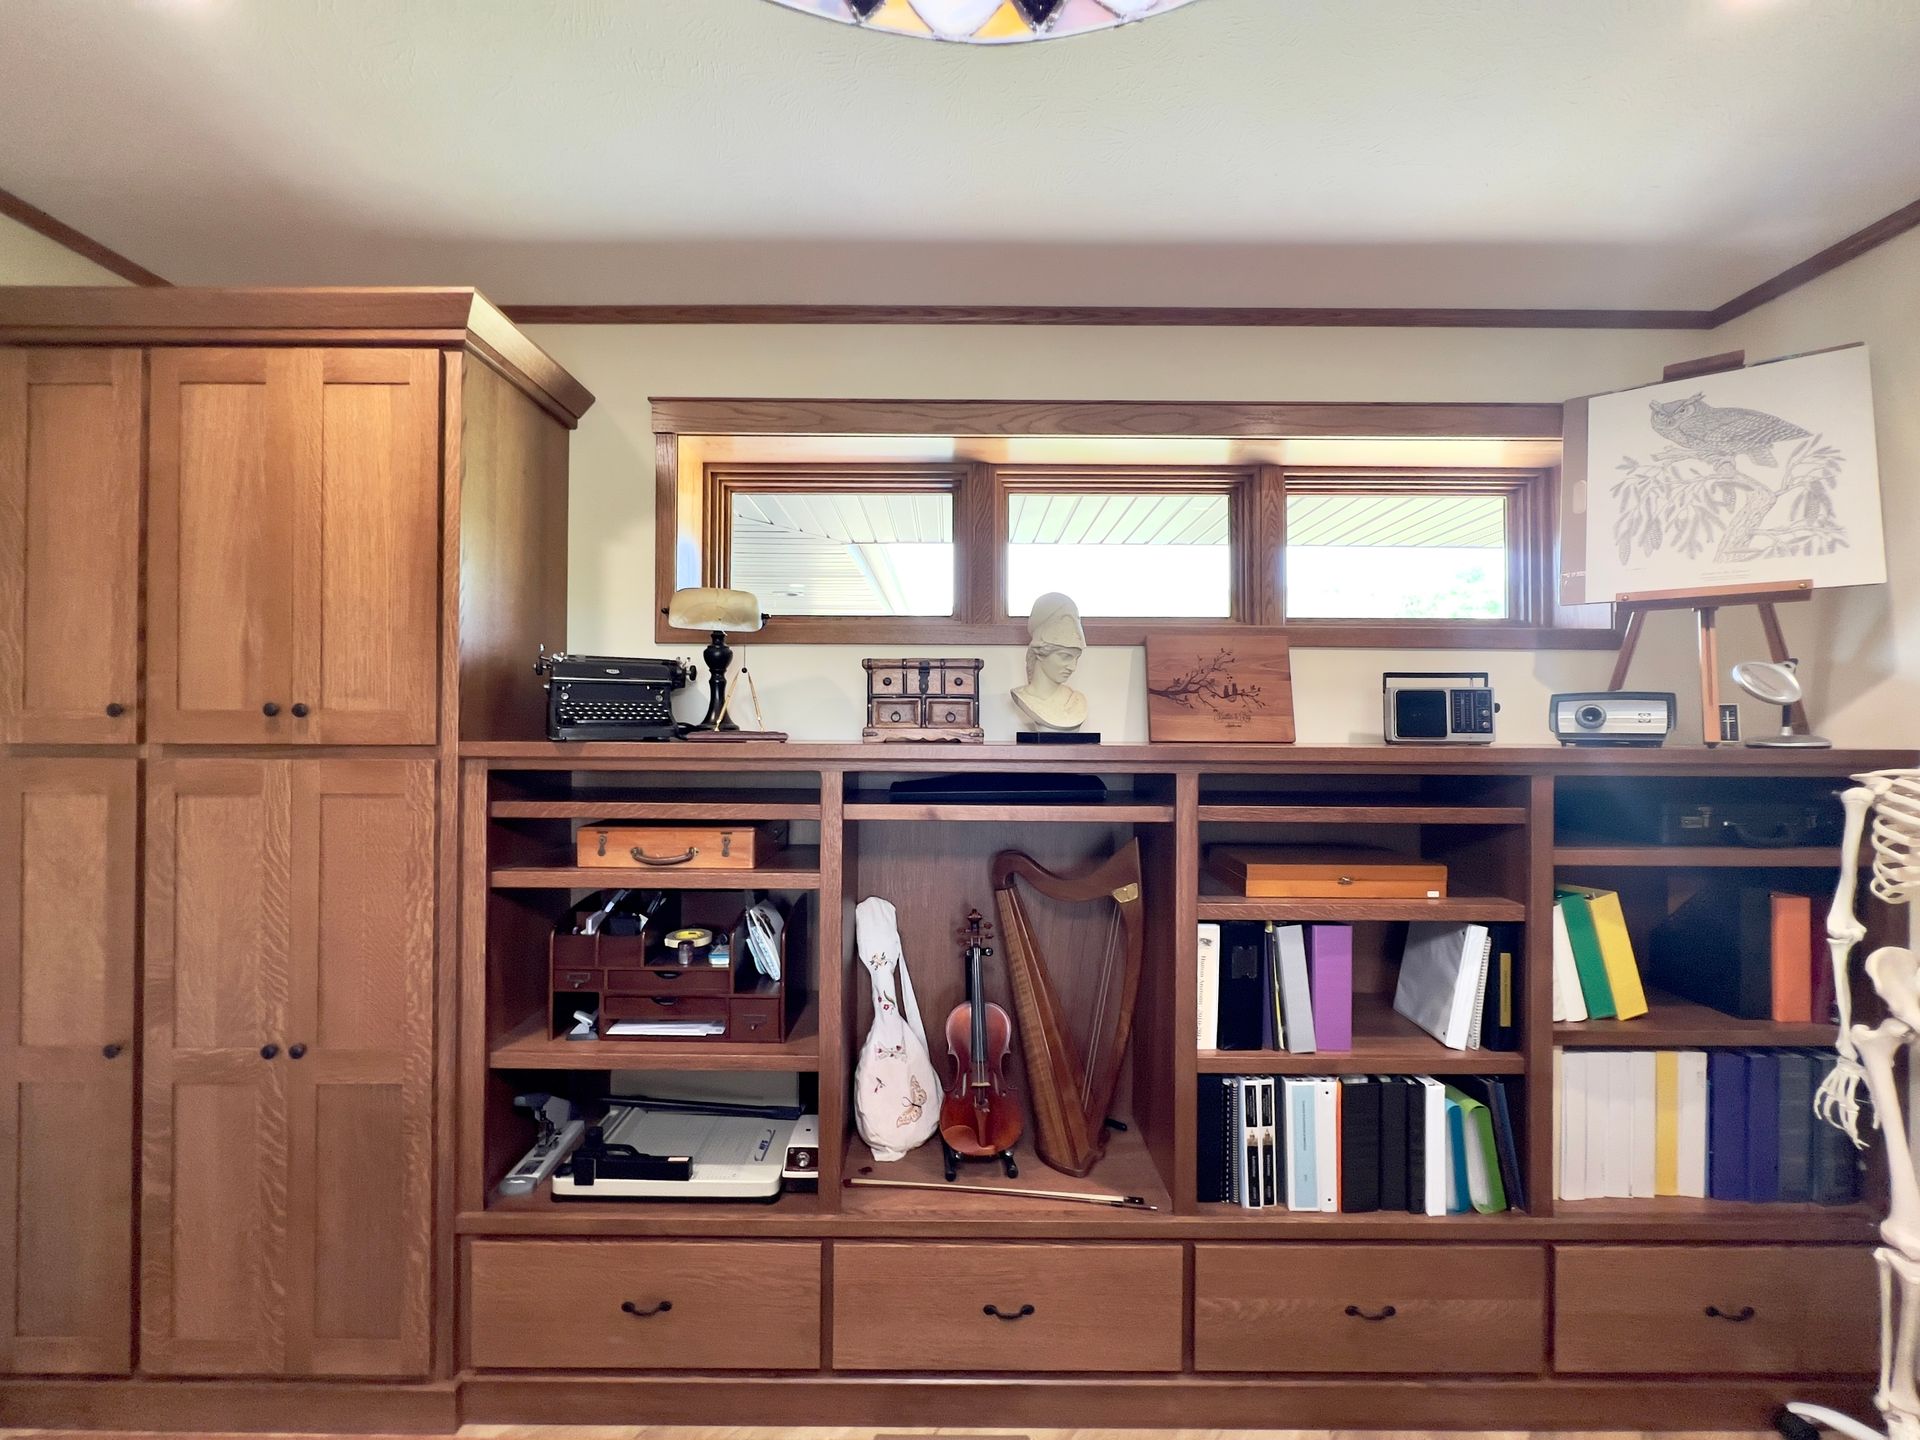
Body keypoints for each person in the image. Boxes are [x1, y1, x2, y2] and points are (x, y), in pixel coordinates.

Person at [1011, 591, 1088, 731]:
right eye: (1065, 656)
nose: (1073, 667)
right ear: (1041, 652)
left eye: (1076, 658)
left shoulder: (1076, 701)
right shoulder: (1024, 697)